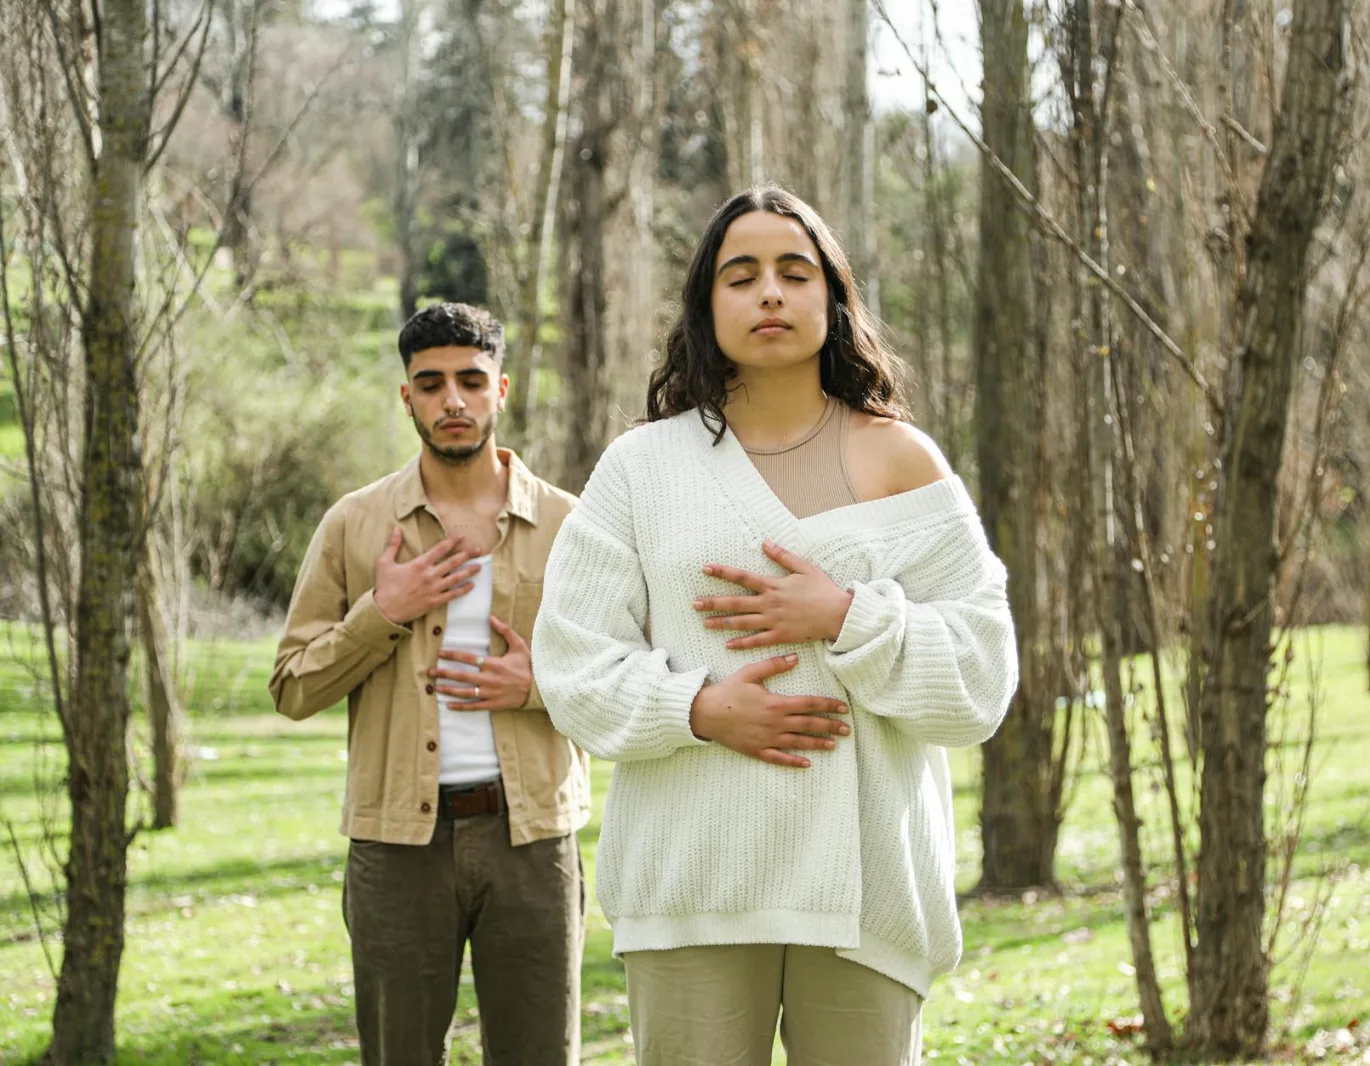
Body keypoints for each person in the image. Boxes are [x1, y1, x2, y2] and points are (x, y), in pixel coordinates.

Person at [530, 186, 1019, 1065]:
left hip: (867, 896)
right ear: (706, 303)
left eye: (795, 272)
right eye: (741, 274)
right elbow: (572, 663)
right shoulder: (642, 468)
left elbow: (982, 682)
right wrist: (699, 710)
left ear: (833, 297)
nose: (769, 293)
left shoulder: (904, 461)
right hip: (693, 887)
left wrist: (847, 618)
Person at [269, 302, 587, 1066]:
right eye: (431, 383)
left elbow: (627, 676)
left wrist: (538, 684)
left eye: (471, 381)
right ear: (405, 396)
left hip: (532, 839)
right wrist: (384, 611)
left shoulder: (570, 525)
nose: (453, 400)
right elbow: (292, 686)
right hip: (395, 846)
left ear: (501, 389)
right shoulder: (353, 524)